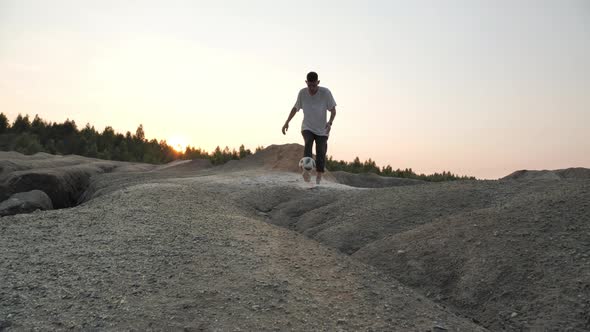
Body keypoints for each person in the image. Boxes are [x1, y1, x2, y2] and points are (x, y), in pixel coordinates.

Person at [282, 71, 337, 184]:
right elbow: (295, 108)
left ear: (318, 82)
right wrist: (287, 122)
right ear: (306, 82)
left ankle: (318, 177)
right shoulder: (302, 93)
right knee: (308, 142)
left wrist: (330, 123)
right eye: (309, 85)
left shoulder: (325, 93)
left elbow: (333, 110)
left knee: (321, 150)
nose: (311, 88)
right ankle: (306, 172)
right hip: (307, 127)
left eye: (314, 85)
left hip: (322, 129)